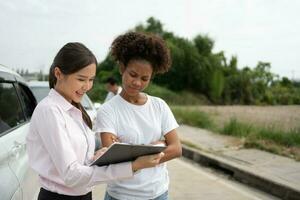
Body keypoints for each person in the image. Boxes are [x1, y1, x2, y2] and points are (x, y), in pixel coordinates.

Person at [26, 42, 164, 200]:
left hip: (83, 195)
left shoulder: (75, 110)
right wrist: (133, 166)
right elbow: (71, 175)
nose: (87, 86)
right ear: (58, 73)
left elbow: (78, 163)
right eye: (81, 79)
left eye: (91, 80)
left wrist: (97, 158)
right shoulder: (49, 111)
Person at [95, 32, 182, 200]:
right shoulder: (107, 110)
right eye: (133, 75)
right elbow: (112, 159)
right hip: (120, 195)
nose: (137, 83)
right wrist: (160, 146)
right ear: (122, 68)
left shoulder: (159, 106)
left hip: (158, 194)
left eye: (144, 78)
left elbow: (176, 148)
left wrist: (130, 151)